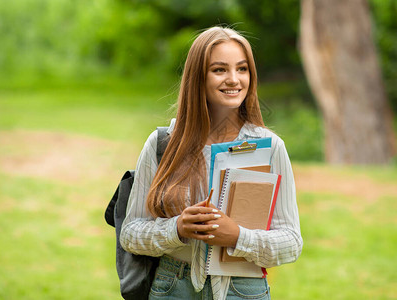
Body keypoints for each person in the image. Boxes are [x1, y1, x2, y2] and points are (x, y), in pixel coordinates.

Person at [120, 26, 302, 300]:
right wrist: (177, 228)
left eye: (242, 69)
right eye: (219, 70)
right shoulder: (163, 144)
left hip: (243, 289)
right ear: (198, 77)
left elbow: (291, 243)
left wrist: (237, 236)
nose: (233, 79)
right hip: (173, 286)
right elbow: (130, 234)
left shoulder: (269, 147)